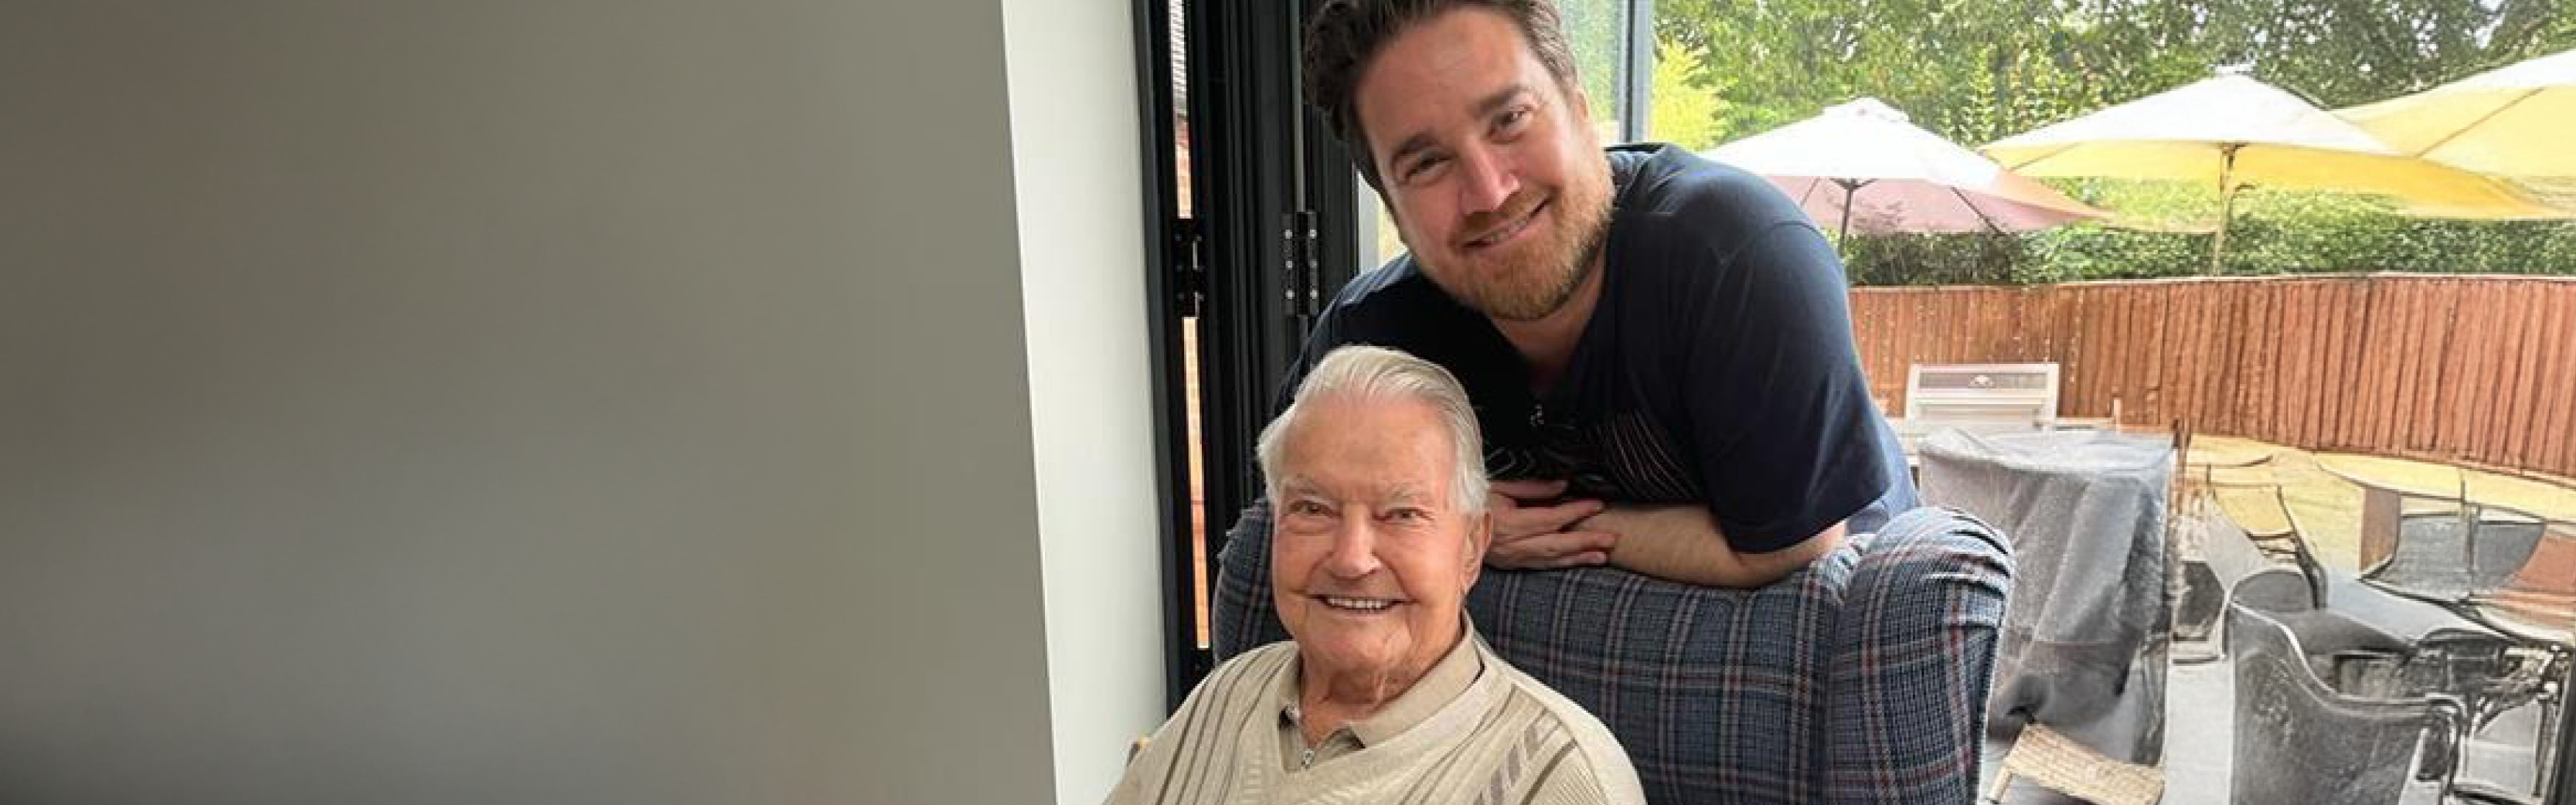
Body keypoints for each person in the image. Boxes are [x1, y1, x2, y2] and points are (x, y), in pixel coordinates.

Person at [1212, 2, 2013, 801]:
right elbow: (1297, 523)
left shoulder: (1738, 257)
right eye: (1425, 164)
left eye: (1510, 119)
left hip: (1811, 670)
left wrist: (1495, 530)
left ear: (1583, 107)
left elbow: (1793, 541)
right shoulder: (1372, 333)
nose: (1488, 190)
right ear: (1390, 204)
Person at [1105, 345, 1646, 805]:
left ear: (1471, 547)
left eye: (1401, 514)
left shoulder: (1561, 778)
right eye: (1312, 509)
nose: (1350, 559)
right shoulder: (1227, 691)